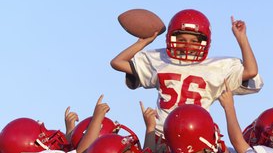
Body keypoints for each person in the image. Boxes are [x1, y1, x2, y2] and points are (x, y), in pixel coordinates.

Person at [110, 8, 263, 144]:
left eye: (193, 40)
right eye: (182, 40)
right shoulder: (160, 59)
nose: (187, 45)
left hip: (198, 137)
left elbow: (251, 71)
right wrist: (143, 42)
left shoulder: (216, 67)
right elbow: (117, 62)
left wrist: (242, 38)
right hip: (163, 136)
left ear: (204, 41)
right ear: (171, 38)